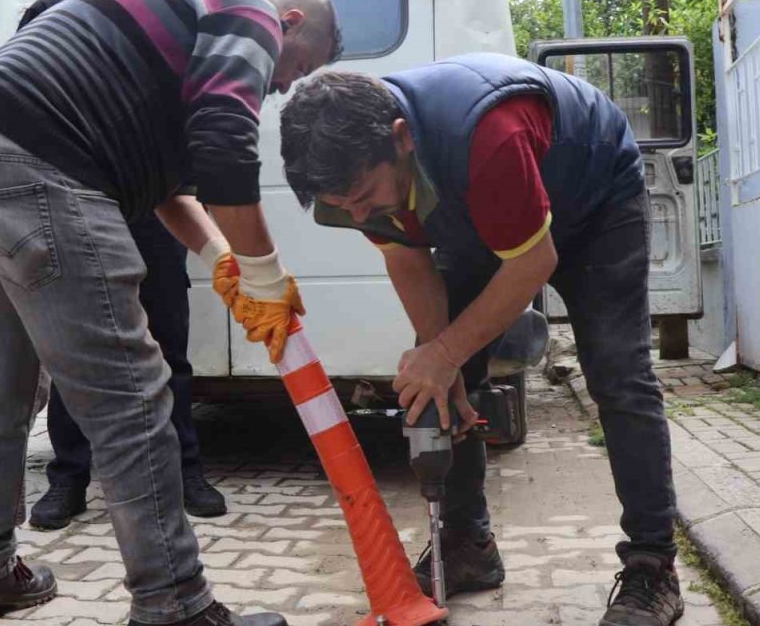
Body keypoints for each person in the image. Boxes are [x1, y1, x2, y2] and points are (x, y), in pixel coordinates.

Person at [0, 0, 342, 624]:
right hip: (36, 161)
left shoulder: (175, 37)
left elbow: (173, 189)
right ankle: (174, 603)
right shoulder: (248, 15)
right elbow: (227, 152)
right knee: (132, 397)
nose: (285, 87)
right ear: (288, 24)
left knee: (7, 387)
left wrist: (228, 268)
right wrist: (266, 280)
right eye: (298, 68)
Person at [278, 54, 683, 626]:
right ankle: (466, 545)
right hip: (486, 210)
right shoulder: (360, 178)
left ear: (400, 139)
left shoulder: (483, 134)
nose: (359, 213)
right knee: (437, 378)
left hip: (593, 198)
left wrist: (445, 352)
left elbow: (533, 261)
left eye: (365, 196)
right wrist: (440, 361)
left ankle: (652, 566)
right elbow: (407, 259)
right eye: (346, 207)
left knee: (618, 372)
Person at [13, 0, 228, 531]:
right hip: (72, 202)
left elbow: (182, 119)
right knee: (73, 349)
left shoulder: (166, 27)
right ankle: (69, 479)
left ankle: (186, 470)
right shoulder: (48, 15)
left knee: (168, 347)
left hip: (155, 205)